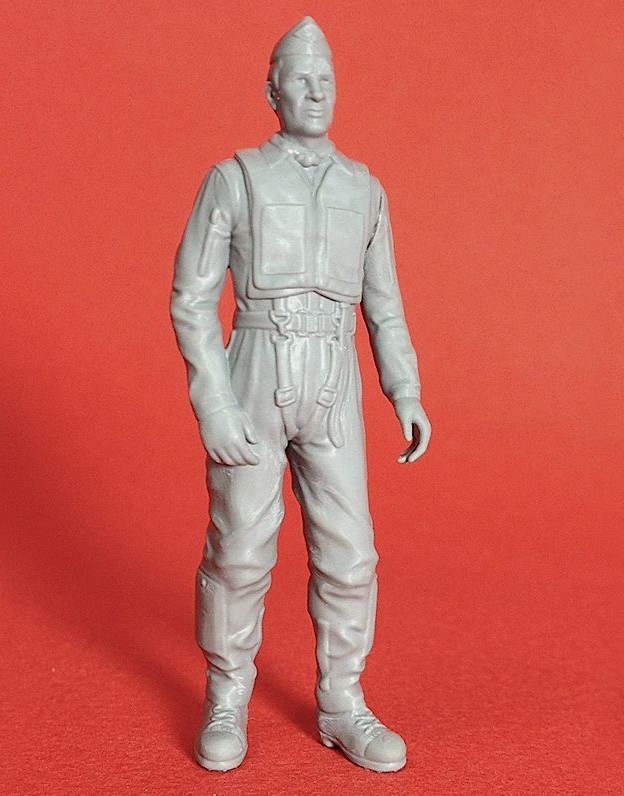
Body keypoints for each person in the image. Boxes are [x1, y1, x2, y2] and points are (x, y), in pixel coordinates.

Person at [170, 16, 431, 773]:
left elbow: (383, 303)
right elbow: (191, 298)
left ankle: (342, 702)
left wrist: (404, 389)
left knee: (351, 553)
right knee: (239, 548)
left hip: (334, 381)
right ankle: (226, 695)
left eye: (326, 80)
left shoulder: (364, 188)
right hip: (257, 367)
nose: (316, 92)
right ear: (272, 92)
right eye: (301, 80)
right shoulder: (235, 178)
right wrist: (215, 405)